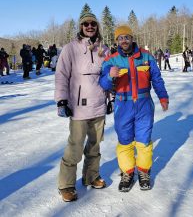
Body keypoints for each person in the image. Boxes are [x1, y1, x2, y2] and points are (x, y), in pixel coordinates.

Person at [99, 25, 169, 192]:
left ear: (132, 38)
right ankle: (128, 172)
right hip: (123, 106)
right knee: (125, 141)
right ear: (117, 41)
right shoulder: (111, 60)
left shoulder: (146, 56)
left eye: (126, 37)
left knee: (144, 141)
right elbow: (102, 83)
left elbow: (157, 79)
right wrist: (110, 76)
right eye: (120, 38)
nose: (124, 40)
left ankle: (144, 172)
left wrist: (163, 97)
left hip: (144, 104)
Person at [55, 10, 107, 202]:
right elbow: (61, 75)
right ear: (81, 27)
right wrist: (62, 100)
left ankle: (91, 176)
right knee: (75, 147)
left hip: (99, 105)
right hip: (78, 106)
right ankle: (67, 184)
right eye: (86, 24)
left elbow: (108, 76)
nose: (90, 27)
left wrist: (110, 99)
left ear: (97, 26)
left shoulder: (103, 48)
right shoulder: (70, 48)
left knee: (94, 145)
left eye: (93, 23)